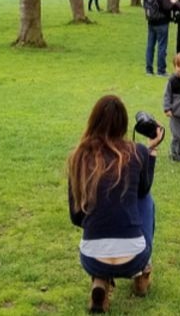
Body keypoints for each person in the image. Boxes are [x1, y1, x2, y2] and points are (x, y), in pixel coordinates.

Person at [67, 95, 163, 313]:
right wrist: (152, 150)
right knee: (145, 199)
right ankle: (142, 273)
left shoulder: (79, 156)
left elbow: (75, 217)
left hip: (91, 257)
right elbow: (144, 190)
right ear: (124, 123)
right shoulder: (137, 151)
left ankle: (100, 279)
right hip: (134, 257)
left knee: (112, 217)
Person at [144, 0, 173, 76]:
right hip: (162, 22)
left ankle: (149, 69)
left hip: (151, 21)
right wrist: (172, 2)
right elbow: (167, 7)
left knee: (150, 46)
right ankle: (161, 70)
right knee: (162, 46)